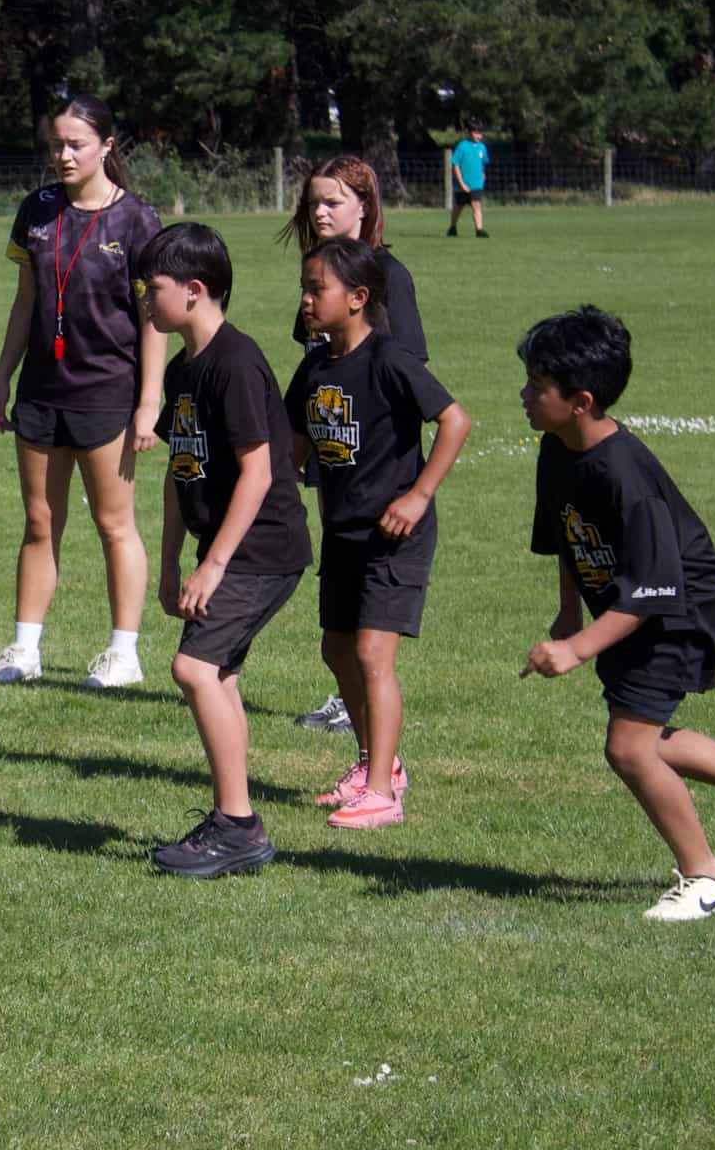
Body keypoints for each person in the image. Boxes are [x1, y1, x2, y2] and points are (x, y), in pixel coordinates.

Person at [515, 306, 715, 919]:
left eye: (537, 385)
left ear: (581, 401)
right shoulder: (557, 449)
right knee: (645, 740)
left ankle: (709, 878)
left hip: (677, 608)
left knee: (629, 749)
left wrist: (576, 649)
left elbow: (655, 587)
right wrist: (568, 612)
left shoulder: (625, 474)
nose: (523, 395)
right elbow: (568, 535)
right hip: (629, 604)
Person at [139, 224, 312, 877]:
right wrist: (170, 563)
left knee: (194, 669)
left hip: (261, 546)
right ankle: (234, 820)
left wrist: (213, 565)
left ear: (194, 289)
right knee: (219, 676)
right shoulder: (183, 369)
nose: (145, 301)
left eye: (153, 288)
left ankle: (237, 825)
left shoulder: (235, 363)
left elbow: (259, 474)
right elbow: (177, 470)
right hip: (227, 546)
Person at [284, 239, 472, 828]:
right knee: (337, 650)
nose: (306, 299)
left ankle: (384, 796)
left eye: (317, 289)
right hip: (343, 532)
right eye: (304, 287)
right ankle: (376, 766)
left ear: (358, 298)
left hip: (394, 535)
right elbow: (293, 445)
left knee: (370, 653)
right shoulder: (314, 367)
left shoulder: (390, 359)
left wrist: (418, 496)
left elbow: (455, 420)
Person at [0, 95, 166, 690]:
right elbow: (25, 300)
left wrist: (149, 402)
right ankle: (24, 650)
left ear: (106, 147)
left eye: (76, 145)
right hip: (41, 391)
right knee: (40, 522)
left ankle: (124, 653)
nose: (63, 155)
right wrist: (3, 374)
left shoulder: (137, 219)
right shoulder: (37, 209)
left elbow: (154, 319)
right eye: (56, 144)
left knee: (115, 526)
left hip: (107, 392)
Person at [280, 156, 429, 735]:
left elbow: (407, 369)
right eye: (313, 202)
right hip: (331, 434)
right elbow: (316, 356)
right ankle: (349, 691)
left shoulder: (387, 274)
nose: (319, 212)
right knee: (341, 570)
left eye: (333, 202)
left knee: (373, 595)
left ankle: (364, 701)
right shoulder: (318, 272)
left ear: (365, 206)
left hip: (375, 454)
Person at [446, 120, 490, 238]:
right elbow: (455, 165)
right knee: (459, 207)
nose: (479, 136)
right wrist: (461, 183)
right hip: (463, 184)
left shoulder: (482, 147)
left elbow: (483, 163)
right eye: (476, 133)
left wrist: (483, 174)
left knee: (476, 204)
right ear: (469, 133)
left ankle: (479, 230)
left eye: (480, 133)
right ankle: (452, 227)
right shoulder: (462, 146)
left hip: (477, 184)